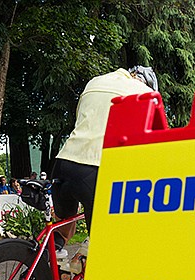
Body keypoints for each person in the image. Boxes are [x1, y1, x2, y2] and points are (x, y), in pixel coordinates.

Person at [51, 65, 158, 253]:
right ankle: (83, 260)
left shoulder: (94, 82)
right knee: (106, 244)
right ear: (148, 83)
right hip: (95, 167)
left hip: (64, 162)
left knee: (64, 224)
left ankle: (49, 264)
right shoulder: (145, 93)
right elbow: (154, 141)